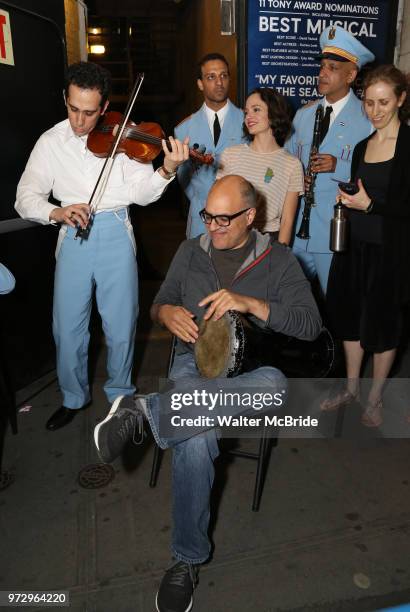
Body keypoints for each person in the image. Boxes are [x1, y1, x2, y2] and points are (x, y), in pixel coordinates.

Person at [93, 175, 322, 612]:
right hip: (194, 365)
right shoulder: (189, 251)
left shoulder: (279, 260)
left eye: (223, 218)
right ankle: (186, 560)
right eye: (207, 216)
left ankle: (145, 411)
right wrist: (167, 312)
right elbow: (158, 301)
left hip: (251, 374)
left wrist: (252, 304)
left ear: (250, 217)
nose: (212, 227)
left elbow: (310, 326)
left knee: (274, 387)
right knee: (197, 439)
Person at [15, 61, 188, 431]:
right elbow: (25, 198)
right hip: (72, 237)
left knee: (121, 323)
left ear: (105, 107)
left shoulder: (125, 137)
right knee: (67, 328)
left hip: (114, 233)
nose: (80, 121)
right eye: (73, 109)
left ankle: (120, 396)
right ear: (66, 98)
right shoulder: (49, 142)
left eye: (89, 113)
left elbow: (142, 194)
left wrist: (167, 170)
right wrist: (57, 211)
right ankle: (73, 398)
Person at [323, 65, 410, 427]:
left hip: (389, 254)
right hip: (354, 248)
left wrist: (371, 205)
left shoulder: (408, 145)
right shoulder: (362, 147)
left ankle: (373, 399)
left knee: (383, 325)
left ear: (401, 100)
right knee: (350, 321)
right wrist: (348, 202)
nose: (375, 111)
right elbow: (361, 193)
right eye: (370, 103)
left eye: (384, 102)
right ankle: (352, 388)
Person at [286, 25, 374, 293]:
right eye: (322, 66)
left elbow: (377, 176)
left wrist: (339, 166)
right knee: (288, 306)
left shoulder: (368, 120)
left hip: (335, 235)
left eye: (333, 68)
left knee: (338, 308)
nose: (323, 73)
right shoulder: (303, 115)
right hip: (297, 232)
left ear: (351, 75)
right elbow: (287, 162)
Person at [217, 87, 304, 245]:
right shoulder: (230, 155)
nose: (249, 116)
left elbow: (287, 221)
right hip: (232, 235)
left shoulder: (292, 164)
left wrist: (281, 256)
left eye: (256, 109)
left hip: (269, 240)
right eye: (246, 112)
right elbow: (219, 208)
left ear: (273, 114)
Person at [174, 52, 245, 238]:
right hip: (200, 218)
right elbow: (183, 178)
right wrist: (201, 200)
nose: (219, 82)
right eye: (211, 77)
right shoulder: (183, 129)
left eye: (224, 75)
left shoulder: (247, 122)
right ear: (200, 83)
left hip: (238, 217)